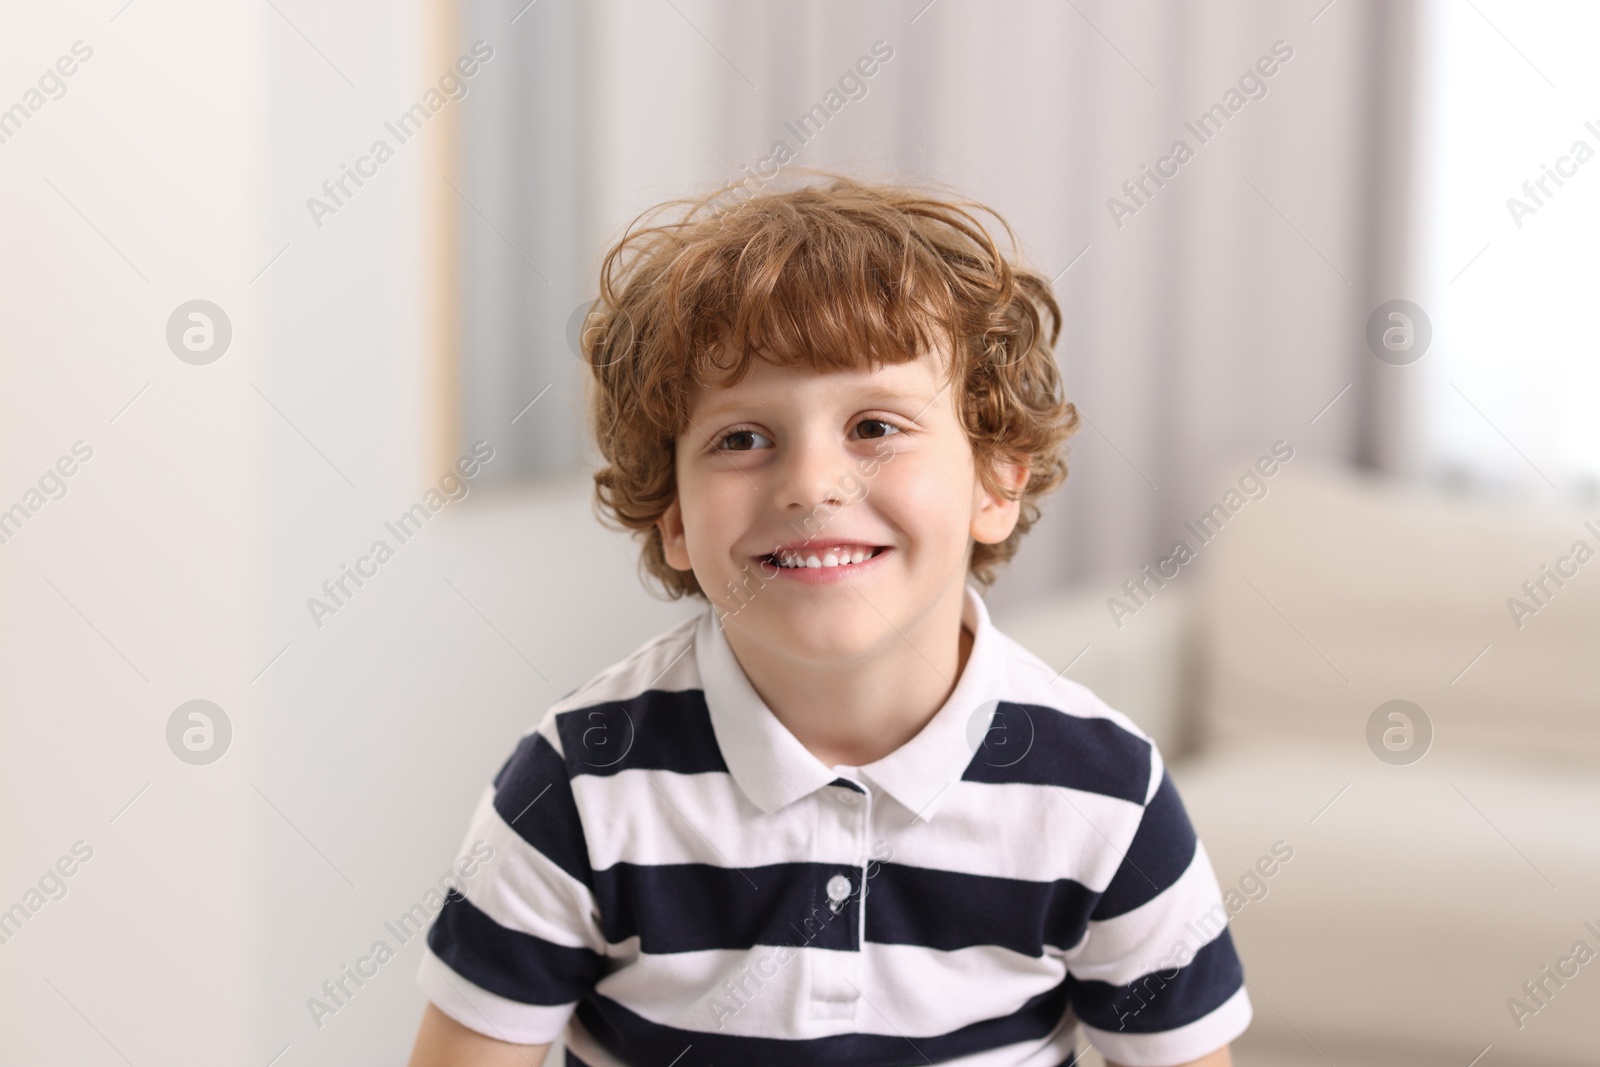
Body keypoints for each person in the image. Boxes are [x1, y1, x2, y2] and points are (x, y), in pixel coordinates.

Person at [406, 173, 1249, 1067]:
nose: (811, 483)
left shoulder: (1104, 796)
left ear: (998, 479)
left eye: (876, 424)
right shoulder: (577, 785)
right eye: (741, 438)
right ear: (677, 516)